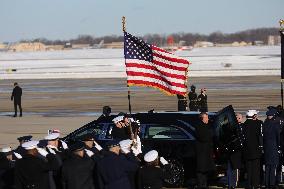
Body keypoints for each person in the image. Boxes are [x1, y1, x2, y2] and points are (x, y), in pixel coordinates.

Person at [242, 110, 262, 189]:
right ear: (254, 116)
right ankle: (255, 184)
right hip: (256, 150)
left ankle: (248, 184)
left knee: (249, 169)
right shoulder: (257, 124)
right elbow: (260, 136)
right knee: (256, 169)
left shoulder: (244, 125)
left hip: (247, 151)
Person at [195, 112, 215, 188]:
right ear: (202, 118)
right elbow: (203, 138)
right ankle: (201, 185)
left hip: (206, 152)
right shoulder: (199, 126)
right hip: (202, 153)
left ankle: (204, 185)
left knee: (205, 171)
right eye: (206, 118)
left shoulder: (206, 126)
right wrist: (210, 133)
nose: (208, 119)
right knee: (201, 171)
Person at [263, 108, 281, 188]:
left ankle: (266, 183)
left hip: (266, 148)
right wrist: (279, 147)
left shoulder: (265, 124)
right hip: (274, 147)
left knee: (267, 167)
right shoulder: (275, 125)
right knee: (273, 166)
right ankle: (272, 183)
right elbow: (278, 137)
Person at [226, 113, 244, 188]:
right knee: (234, 169)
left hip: (230, 150)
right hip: (235, 151)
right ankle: (234, 185)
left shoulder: (229, 126)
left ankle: (231, 184)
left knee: (230, 169)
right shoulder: (239, 127)